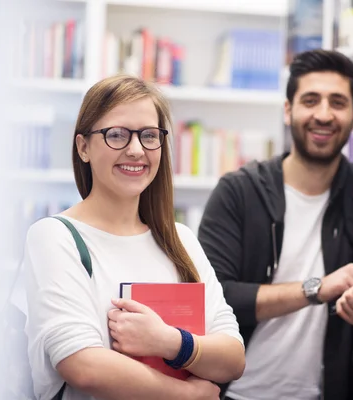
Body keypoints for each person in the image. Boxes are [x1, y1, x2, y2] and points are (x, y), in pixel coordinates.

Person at [197, 49, 353, 400]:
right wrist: (316, 288)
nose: (324, 114)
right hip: (236, 393)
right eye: (311, 100)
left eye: (338, 102)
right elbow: (214, 297)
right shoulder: (239, 191)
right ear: (288, 110)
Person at [21, 75, 245, 400]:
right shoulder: (55, 236)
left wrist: (168, 341)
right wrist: (187, 396)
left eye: (149, 136)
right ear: (83, 147)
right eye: (117, 135)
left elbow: (233, 358)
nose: (137, 150)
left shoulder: (180, 240)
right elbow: (83, 366)